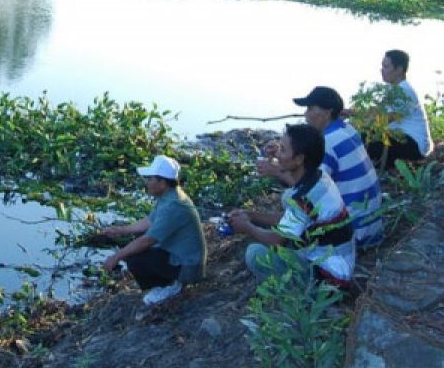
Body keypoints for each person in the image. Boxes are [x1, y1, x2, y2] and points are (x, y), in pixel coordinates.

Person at [228, 123, 355, 287]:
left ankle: (295, 295)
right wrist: (251, 215)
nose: (278, 155)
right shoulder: (319, 176)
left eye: (283, 150)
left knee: (255, 254)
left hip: (330, 278)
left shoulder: (304, 198)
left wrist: (247, 227)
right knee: (287, 203)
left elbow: (276, 240)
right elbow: (289, 219)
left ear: (299, 159)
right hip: (340, 263)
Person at [100, 154, 207, 305]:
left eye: (150, 179)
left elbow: (147, 240)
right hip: (181, 258)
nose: (147, 182)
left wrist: (116, 256)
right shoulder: (170, 196)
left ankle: (169, 287)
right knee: (134, 250)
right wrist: (120, 230)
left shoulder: (173, 206)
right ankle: (168, 283)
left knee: (135, 256)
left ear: (162, 182)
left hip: (188, 268)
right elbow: (149, 221)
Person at [294, 86, 384, 248]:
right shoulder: (348, 129)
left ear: (328, 113)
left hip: (353, 234)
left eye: (310, 108)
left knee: (291, 201)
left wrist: (276, 169)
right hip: (371, 228)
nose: (305, 114)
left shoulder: (327, 143)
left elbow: (310, 191)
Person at [366, 49, 434, 171]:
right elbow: (376, 111)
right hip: (403, 138)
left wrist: (358, 122)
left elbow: (383, 120)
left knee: (367, 138)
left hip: (415, 145)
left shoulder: (403, 91)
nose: (382, 70)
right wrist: (349, 112)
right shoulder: (393, 89)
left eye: (386, 67)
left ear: (399, 69)